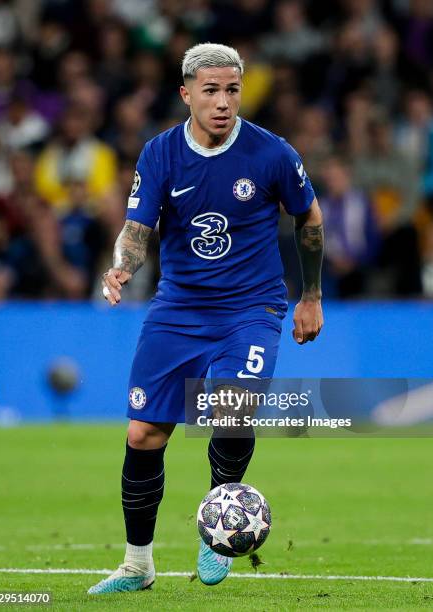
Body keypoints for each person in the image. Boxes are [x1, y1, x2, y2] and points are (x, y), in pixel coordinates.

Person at [89, 43, 323, 595]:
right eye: (211, 90)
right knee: (144, 433)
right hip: (179, 309)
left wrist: (310, 294)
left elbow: (308, 218)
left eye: (233, 90)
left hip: (251, 309)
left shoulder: (272, 154)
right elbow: (138, 229)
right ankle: (136, 565)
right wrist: (121, 267)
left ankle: (217, 527)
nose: (223, 102)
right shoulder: (161, 153)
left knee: (233, 412)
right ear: (186, 93)